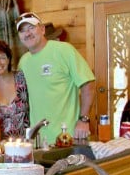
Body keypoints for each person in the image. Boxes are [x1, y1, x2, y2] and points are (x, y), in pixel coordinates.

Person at [16, 12, 95, 144]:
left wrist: (84, 120)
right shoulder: (23, 62)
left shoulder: (64, 51)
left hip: (67, 137)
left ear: (42, 29)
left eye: (31, 28)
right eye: (22, 31)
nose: (27, 33)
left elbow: (88, 84)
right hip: (37, 141)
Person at [0, 39, 29, 139]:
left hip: (27, 145)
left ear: (8, 59)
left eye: (2, 58)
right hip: (0, 148)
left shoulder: (22, 78)